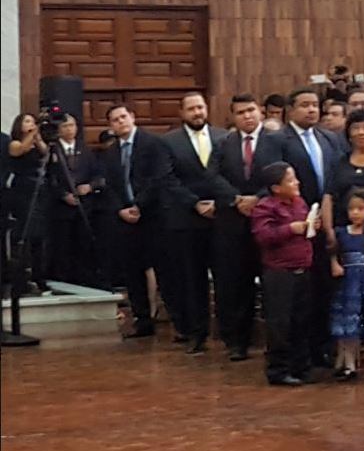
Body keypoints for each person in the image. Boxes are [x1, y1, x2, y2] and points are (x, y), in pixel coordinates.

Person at [279, 88, 347, 367]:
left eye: (315, 105)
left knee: (325, 288)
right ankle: (302, 351)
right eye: (305, 105)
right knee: (302, 293)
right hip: (296, 223)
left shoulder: (329, 138)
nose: (311, 110)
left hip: (328, 222)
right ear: (291, 109)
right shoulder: (278, 140)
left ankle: (324, 346)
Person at [160, 92, 231, 354]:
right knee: (192, 279)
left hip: (221, 217)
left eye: (200, 107)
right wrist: (195, 203)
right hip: (187, 220)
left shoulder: (224, 137)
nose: (197, 112)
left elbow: (229, 173)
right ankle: (196, 333)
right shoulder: (168, 142)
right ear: (182, 113)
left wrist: (217, 201)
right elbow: (168, 179)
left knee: (226, 277)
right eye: (191, 109)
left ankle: (228, 333)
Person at [214, 94, 282, 361]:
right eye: (241, 112)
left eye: (251, 110)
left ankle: (273, 342)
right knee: (236, 284)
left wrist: (259, 198)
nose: (247, 116)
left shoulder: (277, 142)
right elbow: (211, 176)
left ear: (261, 112)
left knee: (272, 284)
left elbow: (283, 173)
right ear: (233, 116)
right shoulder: (223, 144)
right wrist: (236, 200)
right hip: (233, 224)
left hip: (269, 219)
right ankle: (237, 342)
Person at [103, 104, 175, 339]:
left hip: (152, 215)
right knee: (132, 271)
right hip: (125, 219)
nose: (121, 121)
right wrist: (121, 209)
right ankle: (142, 320)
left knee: (164, 269)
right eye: (115, 120)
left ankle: (177, 321)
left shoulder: (153, 144)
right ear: (111, 126)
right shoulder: (111, 152)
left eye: (124, 116)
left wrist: (139, 205)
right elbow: (110, 186)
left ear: (132, 117)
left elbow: (159, 178)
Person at [251, 162, 319, 386]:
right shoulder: (265, 207)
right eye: (290, 180)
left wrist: (311, 226)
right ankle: (278, 370)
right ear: (276, 187)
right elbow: (263, 236)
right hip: (280, 273)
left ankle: (301, 366)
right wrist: (291, 229)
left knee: (302, 320)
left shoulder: (299, 203)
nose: (296, 183)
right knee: (280, 323)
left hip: (303, 269)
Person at [328, 187, 364, 382]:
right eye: (352, 209)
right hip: (349, 285)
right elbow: (333, 253)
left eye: (361, 208)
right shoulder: (341, 233)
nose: (356, 213)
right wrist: (335, 264)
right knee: (348, 326)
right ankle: (349, 366)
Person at [46, 114, 100, 286]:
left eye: (72, 125)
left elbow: (99, 175)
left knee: (83, 245)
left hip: (84, 207)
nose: (69, 129)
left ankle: (84, 278)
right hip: (61, 209)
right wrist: (63, 195)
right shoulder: (52, 151)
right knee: (62, 246)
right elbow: (48, 179)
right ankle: (62, 278)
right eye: (65, 126)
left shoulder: (86, 150)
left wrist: (90, 187)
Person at [321, 109, 364, 248]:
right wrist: (329, 230)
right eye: (355, 128)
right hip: (344, 233)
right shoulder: (339, 162)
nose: (361, 132)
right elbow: (328, 196)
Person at [5, 113, 49, 292]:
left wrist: (38, 136)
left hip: (38, 188)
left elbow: (45, 152)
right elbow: (20, 149)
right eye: (27, 121)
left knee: (39, 234)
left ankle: (40, 275)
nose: (31, 124)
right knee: (24, 231)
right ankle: (20, 277)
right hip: (22, 189)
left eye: (33, 121)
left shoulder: (36, 143)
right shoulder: (13, 143)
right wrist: (32, 132)